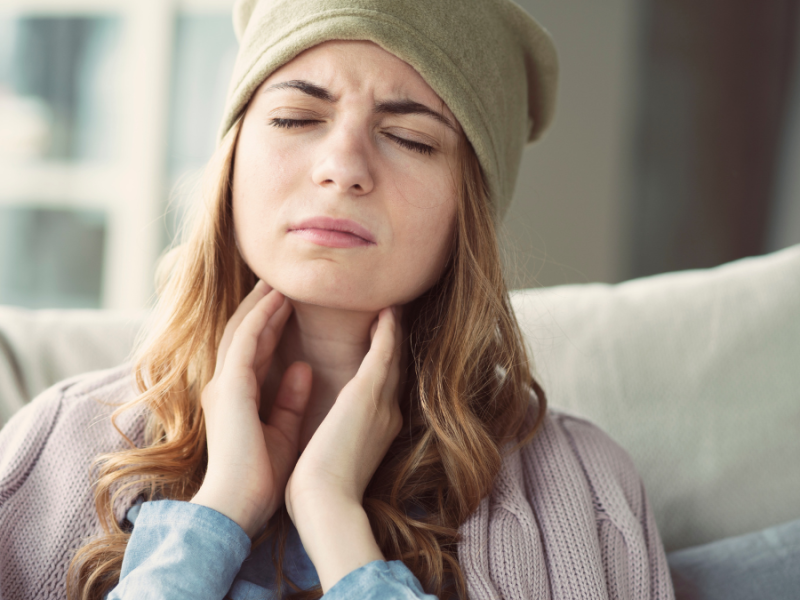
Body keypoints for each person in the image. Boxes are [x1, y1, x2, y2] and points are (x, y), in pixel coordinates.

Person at [0, 1, 675, 599]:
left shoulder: (584, 492)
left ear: (469, 209)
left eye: (410, 137)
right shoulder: (59, 444)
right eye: (296, 118)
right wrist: (220, 512)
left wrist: (334, 520)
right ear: (232, 162)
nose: (342, 166)